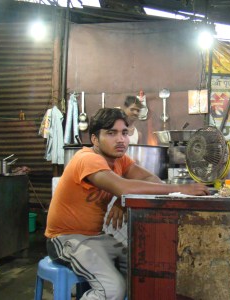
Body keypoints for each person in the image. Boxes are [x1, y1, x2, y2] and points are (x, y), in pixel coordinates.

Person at [45, 108, 209, 300]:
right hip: (65, 240)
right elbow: (123, 187)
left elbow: (151, 178)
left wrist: (121, 202)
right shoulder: (87, 158)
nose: (120, 139)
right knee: (113, 289)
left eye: (124, 133)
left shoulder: (119, 160)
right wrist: (181, 189)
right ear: (95, 139)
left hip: (97, 238)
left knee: (142, 269)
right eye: (111, 133)